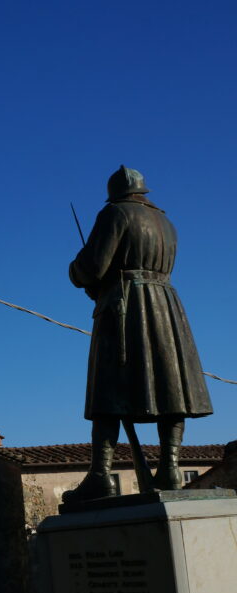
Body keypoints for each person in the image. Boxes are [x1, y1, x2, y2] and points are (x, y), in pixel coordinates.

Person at [63, 165, 212, 504]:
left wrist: (78, 270)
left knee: (106, 390)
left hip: (125, 305)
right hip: (166, 303)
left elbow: (93, 267)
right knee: (171, 388)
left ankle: (101, 475)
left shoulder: (114, 213)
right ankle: (171, 468)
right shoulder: (167, 223)